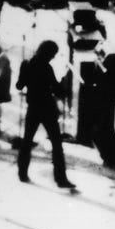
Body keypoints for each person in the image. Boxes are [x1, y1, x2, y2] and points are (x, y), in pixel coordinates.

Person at [16, 40, 71, 188]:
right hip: (47, 108)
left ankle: (22, 173)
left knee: (27, 140)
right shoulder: (47, 68)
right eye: (53, 54)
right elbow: (57, 89)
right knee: (56, 143)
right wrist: (64, 85)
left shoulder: (26, 64)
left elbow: (19, 85)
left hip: (33, 107)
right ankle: (60, 178)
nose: (53, 57)